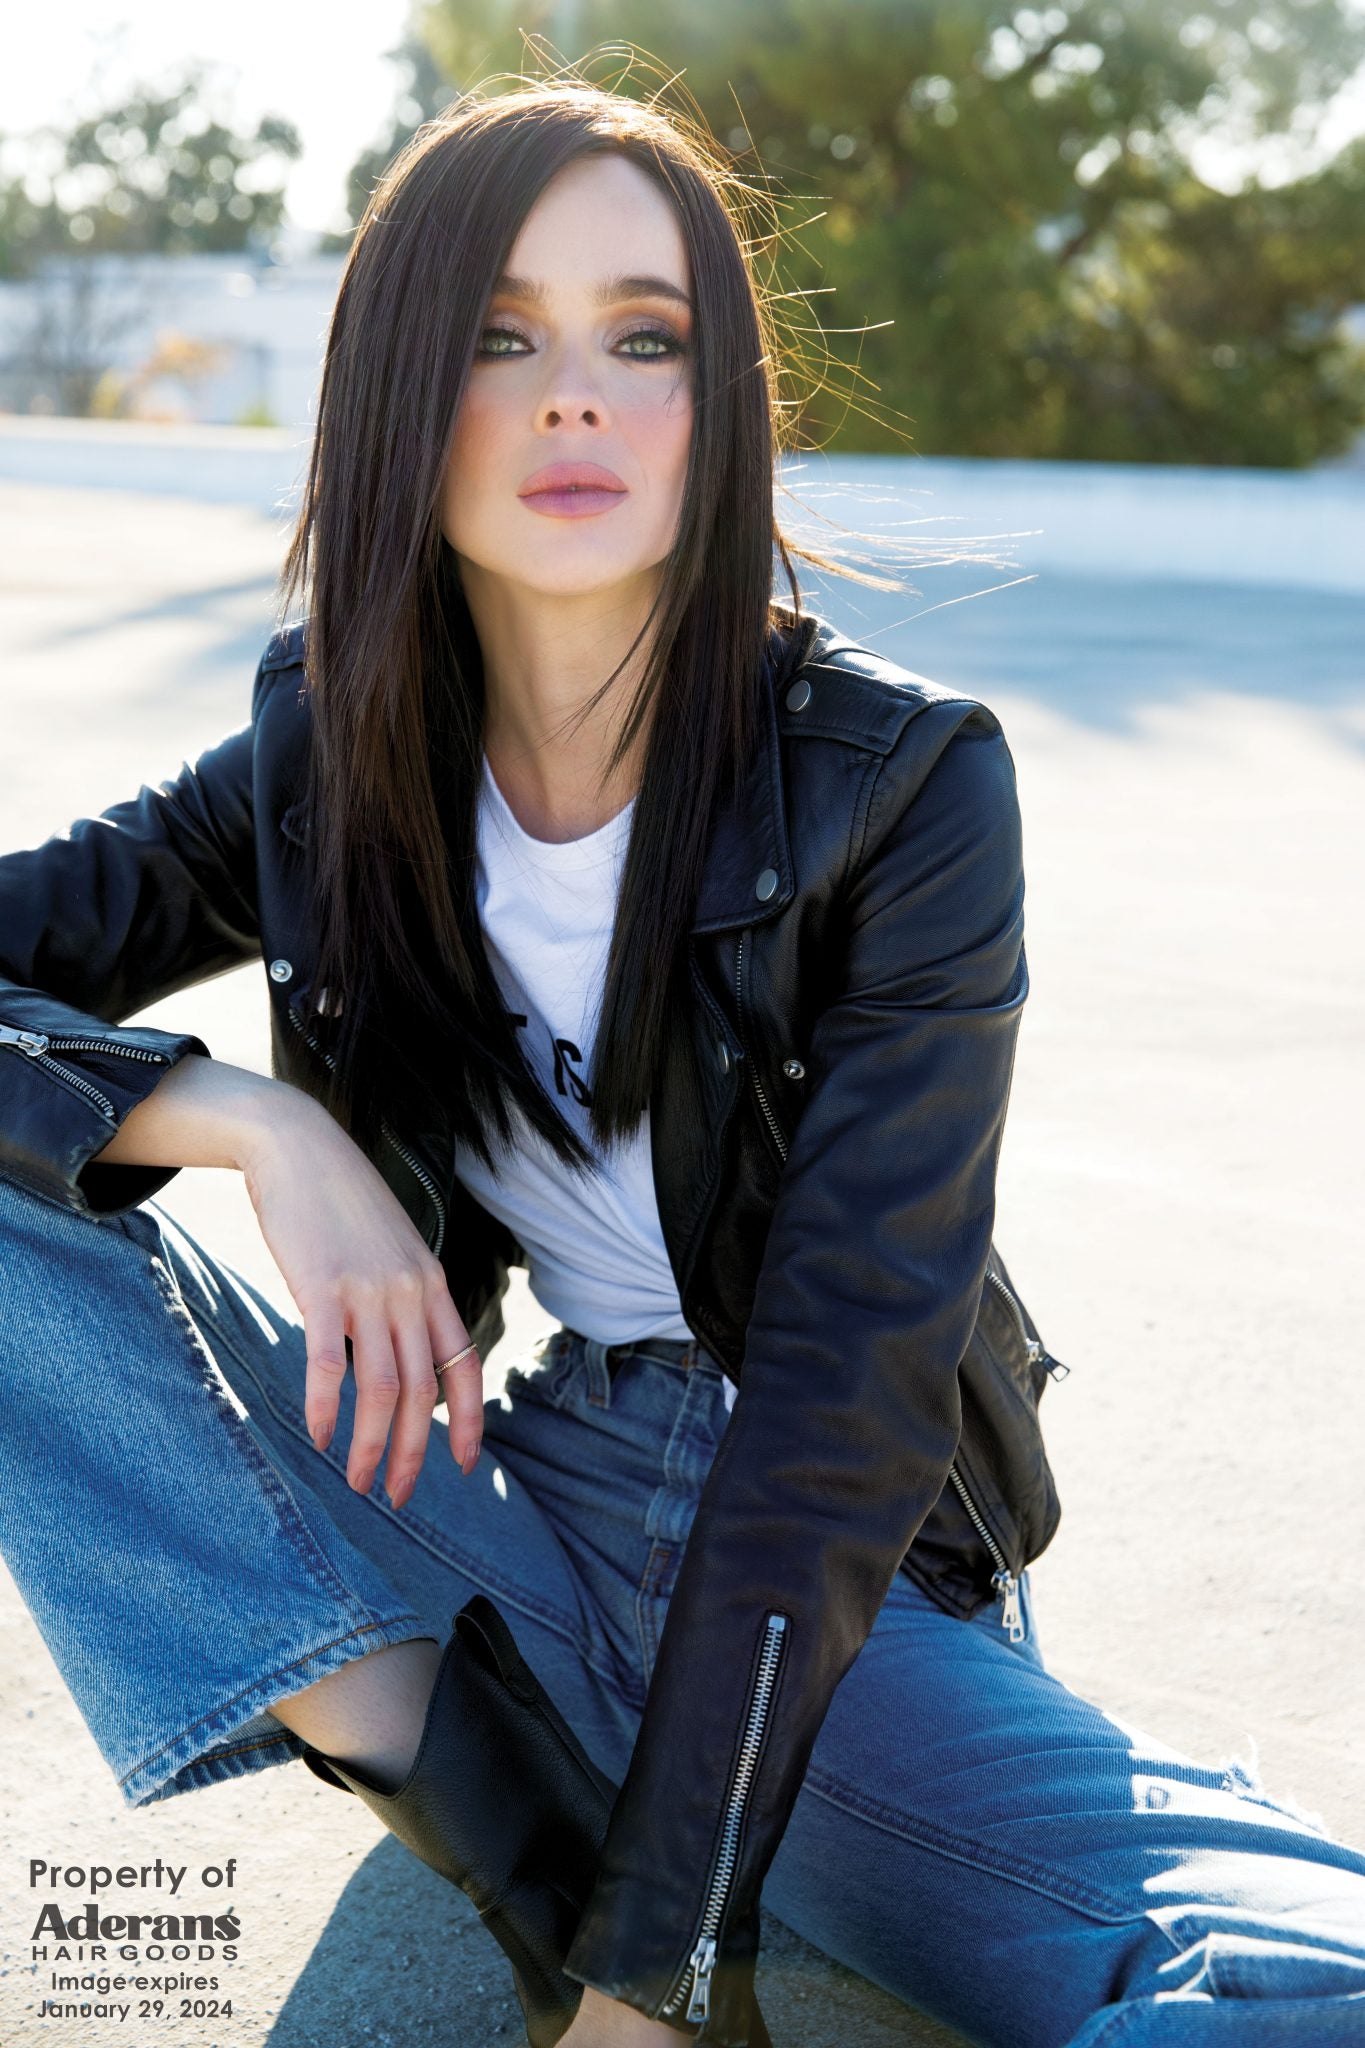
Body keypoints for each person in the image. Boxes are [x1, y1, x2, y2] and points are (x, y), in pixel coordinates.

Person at [2, 75, 1365, 2048]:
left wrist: (658, 1986)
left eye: (642, 339)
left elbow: (842, 1395)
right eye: (500, 337)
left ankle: (586, 1861)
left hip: (828, 1563)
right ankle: (464, 1770)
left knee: (1304, 1986)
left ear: (715, 403)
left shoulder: (897, 789)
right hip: (508, 1483)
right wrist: (245, 1119)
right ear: (396, 393)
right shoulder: (329, 748)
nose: (577, 399)